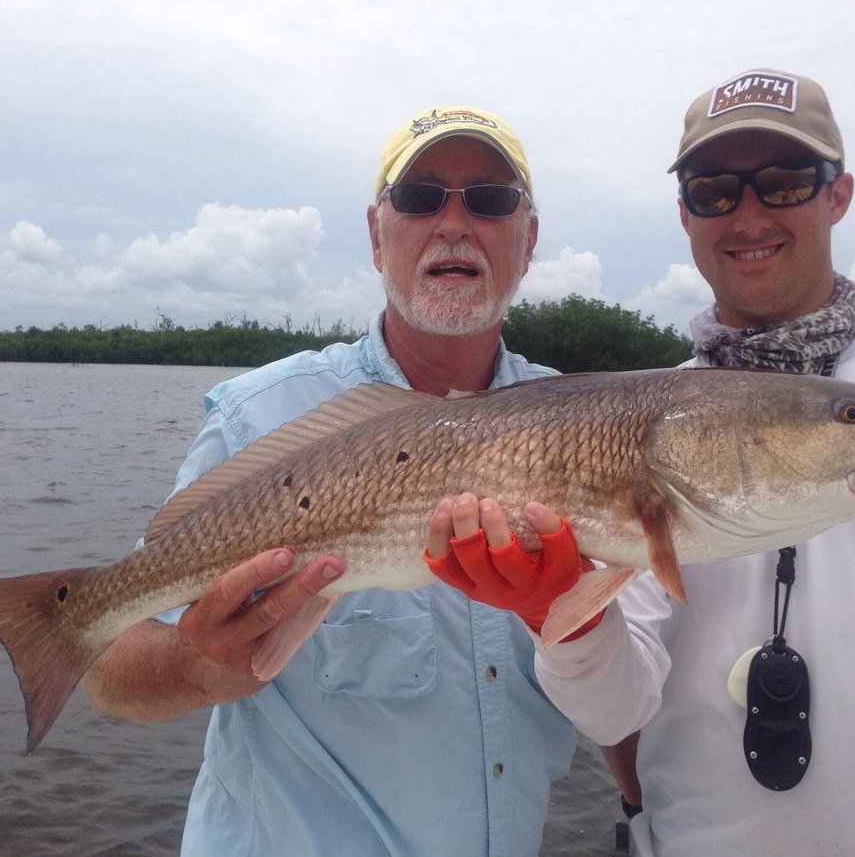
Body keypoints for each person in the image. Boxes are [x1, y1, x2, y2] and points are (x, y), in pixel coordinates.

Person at [431, 70, 855, 855]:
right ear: (685, 212)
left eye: (786, 182)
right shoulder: (632, 429)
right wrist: (563, 615)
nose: (749, 213)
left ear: (839, 194)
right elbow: (615, 711)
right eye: (715, 189)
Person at [80, 105, 586, 856]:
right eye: (417, 198)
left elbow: (622, 670)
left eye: (490, 198)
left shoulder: (592, 428)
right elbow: (108, 667)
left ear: (529, 237)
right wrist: (196, 664)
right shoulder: (262, 418)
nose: (453, 222)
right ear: (378, 236)